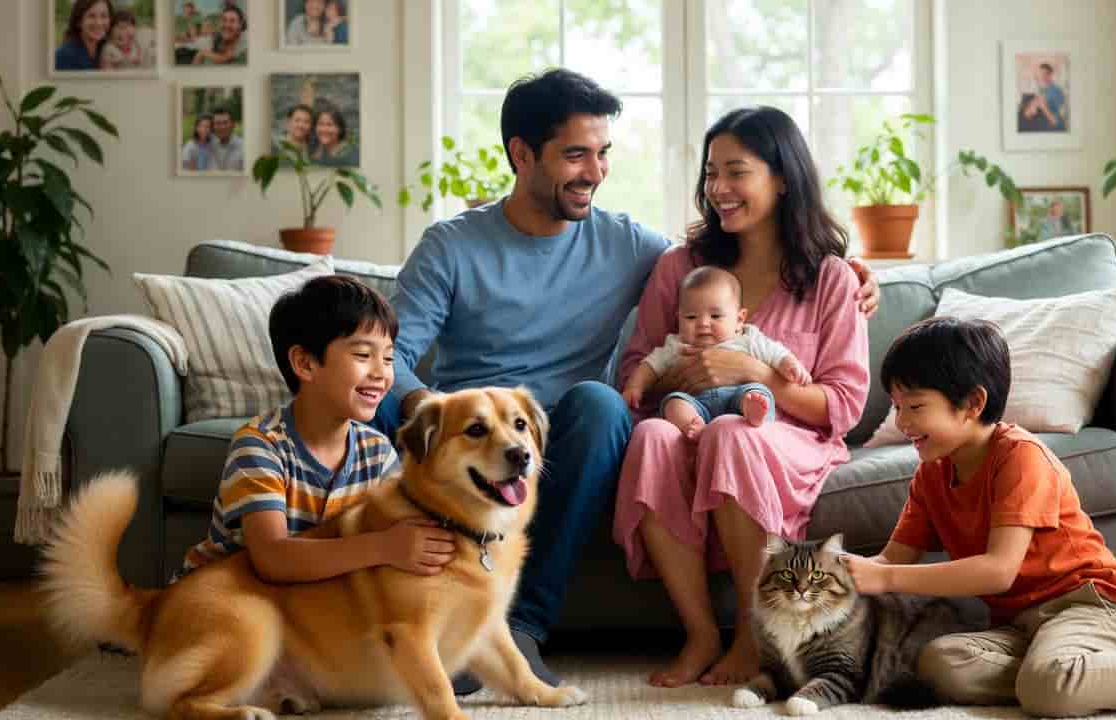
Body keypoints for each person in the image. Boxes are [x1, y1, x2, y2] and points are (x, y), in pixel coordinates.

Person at [370, 69, 881, 694]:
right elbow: (384, 357)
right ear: (521, 154)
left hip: (579, 436)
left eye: (603, 152)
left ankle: (523, 628)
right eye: (576, 154)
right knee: (627, 422)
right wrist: (430, 410)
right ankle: (442, 625)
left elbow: (721, 281)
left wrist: (853, 269)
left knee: (602, 404)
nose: (595, 170)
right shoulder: (452, 246)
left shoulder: (628, 245)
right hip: (476, 433)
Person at [843, 316, 1116, 715]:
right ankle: (1072, 671)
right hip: (1018, 624)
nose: (901, 422)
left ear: (973, 402)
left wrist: (886, 578)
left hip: (1090, 603)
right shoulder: (931, 473)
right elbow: (891, 561)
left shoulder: (1020, 458)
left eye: (914, 407)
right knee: (940, 662)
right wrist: (844, 571)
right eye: (896, 407)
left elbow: (997, 572)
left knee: (1048, 688)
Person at [613, 106, 870, 689]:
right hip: (691, 424)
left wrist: (758, 372)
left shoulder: (830, 276)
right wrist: (701, 373)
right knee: (652, 435)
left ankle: (754, 637)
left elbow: (844, 406)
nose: (718, 189)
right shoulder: (681, 267)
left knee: (734, 432)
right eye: (710, 174)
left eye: (736, 172)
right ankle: (700, 633)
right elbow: (637, 368)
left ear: (782, 178)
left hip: (788, 438)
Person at [178, 276, 457, 587]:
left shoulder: (378, 453)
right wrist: (383, 547)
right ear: (305, 364)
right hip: (220, 597)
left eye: (389, 358)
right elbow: (273, 558)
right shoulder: (260, 444)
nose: (381, 373)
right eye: (363, 355)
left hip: (302, 608)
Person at [621, 265, 811, 440]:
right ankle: (692, 425)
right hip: (696, 402)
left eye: (715, 316)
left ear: (739, 319)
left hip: (737, 395)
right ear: (678, 318)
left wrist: (790, 365)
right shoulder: (677, 345)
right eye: (691, 317)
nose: (703, 323)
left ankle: (752, 411)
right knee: (673, 402)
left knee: (758, 391)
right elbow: (650, 365)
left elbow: (776, 353)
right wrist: (635, 387)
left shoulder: (748, 339)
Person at [54, 0, 112, 72]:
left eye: (104, 16)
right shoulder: (63, 56)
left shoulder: (109, 50)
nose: (98, 23)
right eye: (91, 16)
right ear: (79, 21)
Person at [207, 107, 244, 172]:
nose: (222, 127)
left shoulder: (244, 147)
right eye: (218, 123)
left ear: (233, 125)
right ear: (213, 126)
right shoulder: (206, 145)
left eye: (225, 123)